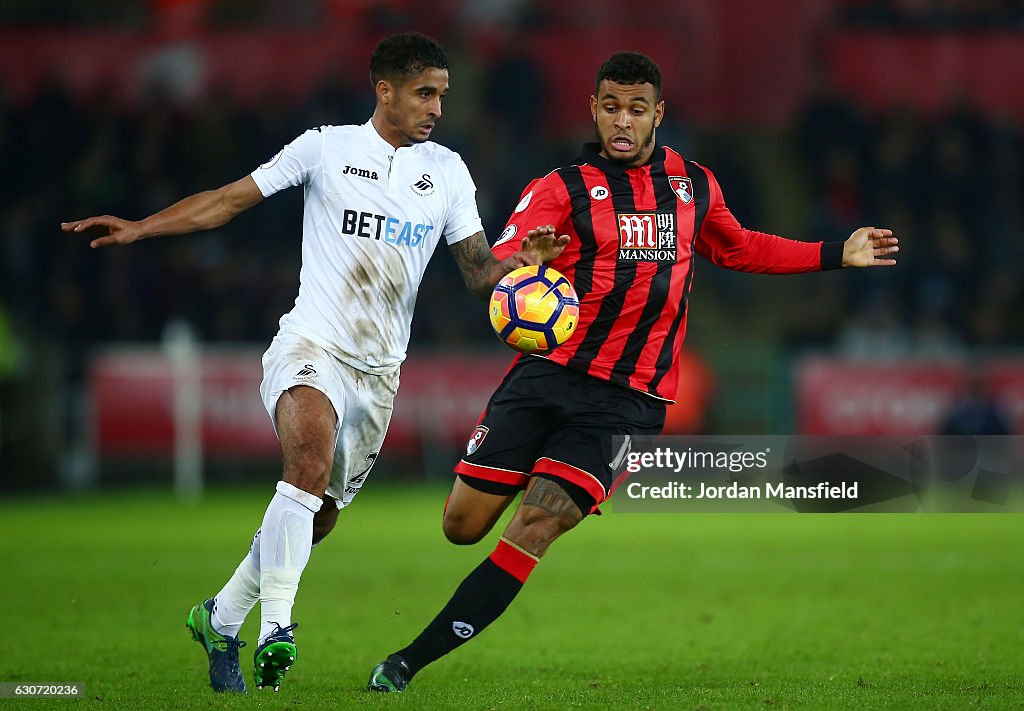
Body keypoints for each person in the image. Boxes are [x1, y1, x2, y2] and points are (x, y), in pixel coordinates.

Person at [367, 51, 899, 692]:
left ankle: (404, 663)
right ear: (593, 109)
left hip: (627, 400)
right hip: (546, 376)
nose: (623, 121)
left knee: (534, 525)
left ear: (658, 115)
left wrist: (836, 253)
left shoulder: (691, 183)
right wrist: (524, 261)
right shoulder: (560, 187)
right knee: (461, 526)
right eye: (611, 107)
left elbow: (739, 246)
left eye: (636, 109)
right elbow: (501, 258)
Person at [61, 33, 565, 694]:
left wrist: (520, 269)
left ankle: (221, 616)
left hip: (379, 372)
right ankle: (277, 628)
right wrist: (141, 227)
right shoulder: (324, 147)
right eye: (424, 92)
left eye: (442, 93)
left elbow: (477, 275)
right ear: (384, 90)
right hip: (312, 344)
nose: (436, 106)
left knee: (317, 514)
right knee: (304, 465)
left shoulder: (447, 171)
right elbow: (226, 201)